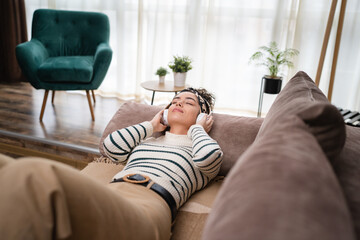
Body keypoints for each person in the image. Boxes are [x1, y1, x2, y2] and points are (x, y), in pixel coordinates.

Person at [0, 87, 223, 240]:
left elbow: (209, 159)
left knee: (34, 174)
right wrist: (152, 125)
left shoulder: (200, 147)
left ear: (203, 115)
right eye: (174, 101)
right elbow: (111, 147)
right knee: (4, 167)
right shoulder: (148, 139)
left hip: (148, 207)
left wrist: (197, 129)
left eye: (188, 102)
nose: (178, 103)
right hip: (111, 192)